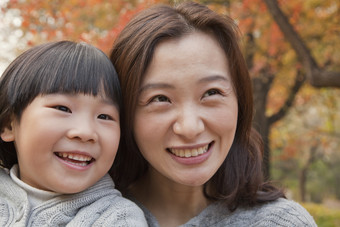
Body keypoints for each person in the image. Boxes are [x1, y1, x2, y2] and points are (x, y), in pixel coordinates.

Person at [109, 2, 317, 226]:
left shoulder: (279, 223)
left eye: (211, 93)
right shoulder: (88, 216)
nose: (190, 128)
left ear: (240, 100)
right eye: (160, 99)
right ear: (125, 111)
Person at [0, 41, 147, 226]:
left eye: (104, 116)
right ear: (8, 125)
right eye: (63, 108)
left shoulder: (119, 219)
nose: (85, 132)